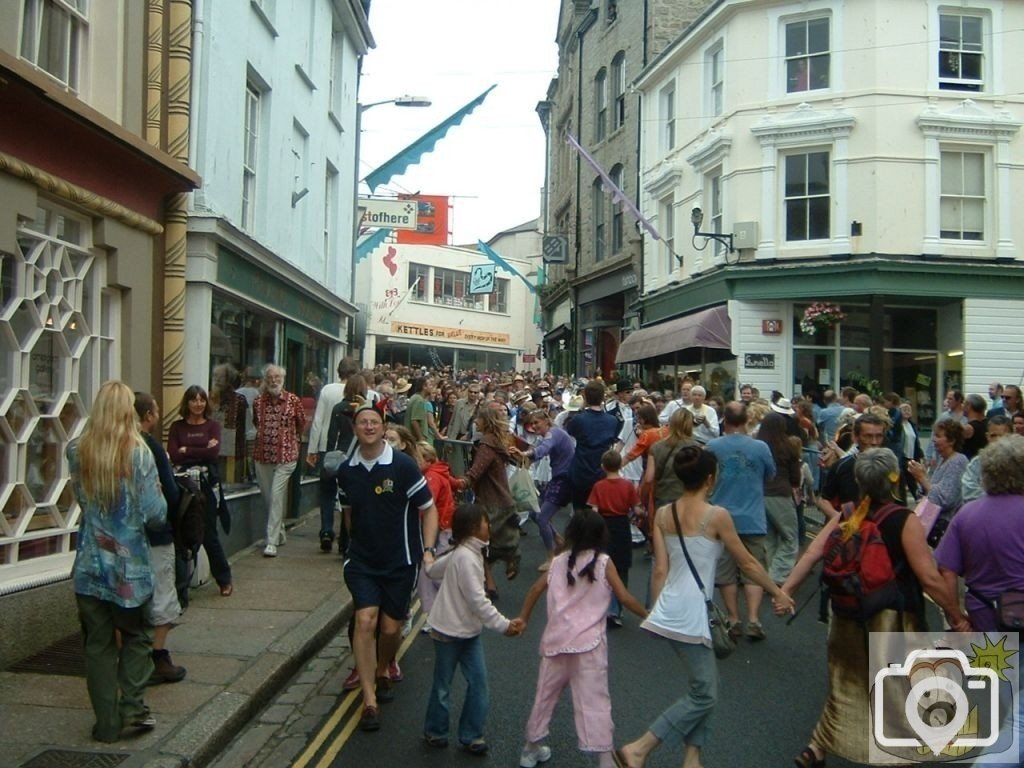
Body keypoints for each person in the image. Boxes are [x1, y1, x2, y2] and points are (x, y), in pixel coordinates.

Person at [775, 448, 968, 768]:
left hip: (847, 613)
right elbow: (929, 578)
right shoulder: (903, 519)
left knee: (845, 682)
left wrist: (786, 591)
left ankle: (816, 748)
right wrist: (955, 615)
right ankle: (898, 754)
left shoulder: (849, 513)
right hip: (893, 618)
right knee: (897, 688)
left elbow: (813, 553)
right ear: (893, 479)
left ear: (859, 480)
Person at [614, 446, 794, 768]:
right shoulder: (717, 515)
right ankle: (640, 748)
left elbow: (659, 569)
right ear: (710, 479)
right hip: (693, 612)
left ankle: (692, 757)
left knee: (706, 685)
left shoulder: (664, 513)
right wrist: (777, 592)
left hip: (672, 606)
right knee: (705, 694)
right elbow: (748, 564)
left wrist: (655, 611)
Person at [68, 381, 168, 742]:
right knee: (137, 636)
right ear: (128, 412)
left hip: (90, 564)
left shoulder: (77, 450)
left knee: (97, 644)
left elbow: (81, 498)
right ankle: (132, 707)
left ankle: (107, 724)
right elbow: (155, 513)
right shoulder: (138, 453)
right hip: (129, 568)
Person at [517, 509, 647, 768]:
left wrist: (523, 619)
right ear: (601, 535)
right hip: (589, 646)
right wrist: (649, 615)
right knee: (595, 700)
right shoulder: (603, 562)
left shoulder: (558, 562)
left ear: (571, 533)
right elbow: (624, 597)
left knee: (544, 696)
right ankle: (604, 758)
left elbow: (535, 589)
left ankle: (530, 749)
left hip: (556, 642)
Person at [338, 401, 438, 732]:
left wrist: (428, 550)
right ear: (355, 429)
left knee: (391, 629)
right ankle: (369, 701)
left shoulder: (403, 465)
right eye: (362, 422)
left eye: (373, 422)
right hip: (363, 561)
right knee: (365, 620)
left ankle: (383, 668)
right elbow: (349, 514)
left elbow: (429, 508)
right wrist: (352, 547)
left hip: (401, 561)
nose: (368, 427)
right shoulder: (347, 471)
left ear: (383, 427)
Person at [422, 504, 523, 753]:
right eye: (485, 522)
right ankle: (439, 732)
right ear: (472, 529)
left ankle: (470, 735)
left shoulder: (466, 553)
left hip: (468, 631)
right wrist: (504, 626)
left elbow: (435, 570)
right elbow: (478, 601)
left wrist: (429, 561)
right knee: (445, 685)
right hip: (448, 632)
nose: (489, 526)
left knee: (475, 683)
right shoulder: (466, 557)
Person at [936, 435, 1024, 631]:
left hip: (984, 614)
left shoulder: (966, 514)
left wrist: (956, 616)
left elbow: (947, 571)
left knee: (992, 662)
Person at [705, 401, 775, 640]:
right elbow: (770, 474)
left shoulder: (712, 446)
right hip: (753, 516)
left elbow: (705, 476)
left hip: (720, 517)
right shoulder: (761, 447)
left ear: (724, 419)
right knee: (753, 568)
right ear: (747, 420)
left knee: (725, 570)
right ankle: (754, 619)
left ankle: (733, 618)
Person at [134, 391, 186, 684]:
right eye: (154, 410)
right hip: (154, 535)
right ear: (149, 416)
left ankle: (131, 658)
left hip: (123, 538)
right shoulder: (150, 446)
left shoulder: (114, 445)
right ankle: (157, 657)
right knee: (163, 595)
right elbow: (170, 492)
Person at [168, 385, 233, 595]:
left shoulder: (212, 426)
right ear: (187, 403)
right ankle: (181, 587)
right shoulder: (177, 427)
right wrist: (199, 451)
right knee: (181, 534)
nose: (198, 404)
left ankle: (224, 579)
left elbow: (213, 453)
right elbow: (174, 455)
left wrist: (187, 449)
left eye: (201, 400)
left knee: (208, 534)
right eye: (193, 400)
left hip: (206, 485)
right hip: (183, 484)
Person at [456, 406, 520, 588]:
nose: (475, 422)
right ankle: (490, 583)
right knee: (488, 541)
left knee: (479, 542)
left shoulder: (486, 444)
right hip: (501, 498)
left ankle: (509, 559)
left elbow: (477, 471)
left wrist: (461, 482)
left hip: (491, 500)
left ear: (486, 421)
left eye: (478, 418)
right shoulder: (497, 441)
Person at [252, 365, 307, 558]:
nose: (273, 380)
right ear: (265, 380)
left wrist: (289, 440)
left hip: (286, 456)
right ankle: (280, 530)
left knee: (276, 495)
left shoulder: (293, 401)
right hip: (262, 455)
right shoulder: (258, 402)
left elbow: (301, 424)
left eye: (277, 377)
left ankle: (271, 541)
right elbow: (256, 423)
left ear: (283, 379)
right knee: (269, 498)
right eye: (270, 377)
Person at [306, 357, 360, 552]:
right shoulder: (365, 393)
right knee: (348, 494)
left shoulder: (328, 390)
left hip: (327, 448)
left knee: (327, 492)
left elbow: (318, 420)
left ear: (339, 371)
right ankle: (346, 536)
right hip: (351, 450)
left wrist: (312, 449)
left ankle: (327, 530)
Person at [518, 409, 575, 572]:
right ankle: (559, 542)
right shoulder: (553, 434)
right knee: (536, 514)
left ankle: (552, 557)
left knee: (542, 517)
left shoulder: (553, 434)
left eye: (537, 422)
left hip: (564, 480)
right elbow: (539, 450)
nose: (534, 426)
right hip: (560, 478)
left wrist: (525, 453)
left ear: (546, 421)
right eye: (532, 423)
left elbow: (543, 449)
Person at [588, 450, 639, 627]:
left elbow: (593, 509)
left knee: (602, 566)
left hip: (604, 526)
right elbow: (637, 508)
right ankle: (617, 608)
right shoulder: (627, 486)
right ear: (620, 465)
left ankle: (603, 606)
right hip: (622, 526)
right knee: (622, 567)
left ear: (603, 466)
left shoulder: (598, 486)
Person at [756, 412, 803, 585]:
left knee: (769, 537)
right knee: (789, 536)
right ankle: (778, 576)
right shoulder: (788, 445)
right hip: (780, 494)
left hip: (760, 494)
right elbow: (795, 476)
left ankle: (769, 571)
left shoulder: (757, 444)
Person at [907, 418, 968, 541]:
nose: (934, 440)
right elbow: (927, 492)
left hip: (946, 528)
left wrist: (922, 477)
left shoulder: (958, 462)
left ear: (951, 440)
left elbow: (945, 499)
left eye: (938, 436)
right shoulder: (942, 460)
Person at [567, 380, 622, 512]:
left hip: (581, 469)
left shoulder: (579, 419)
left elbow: (570, 431)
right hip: (602, 470)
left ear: (585, 397)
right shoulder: (612, 420)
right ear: (603, 397)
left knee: (580, 511)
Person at [961, 414, 1012, 503]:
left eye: (1003, 436)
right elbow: (968, 493)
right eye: (993, 436)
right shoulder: (976, 463)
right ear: (987, 437)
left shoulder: (1019, 463)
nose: (997, 440)